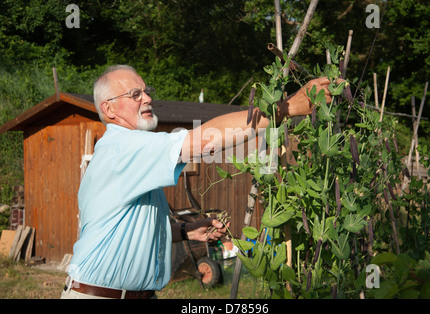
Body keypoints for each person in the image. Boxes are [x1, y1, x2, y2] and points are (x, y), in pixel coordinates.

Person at [61, 65, 334, 299]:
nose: (146, 98)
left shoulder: (128, 153)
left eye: (146, 91)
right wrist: (285, 108)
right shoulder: (123, 146)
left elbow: (129, 226)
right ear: (108, 108)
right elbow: (206, 140)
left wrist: (185, 231)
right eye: (135, 94)